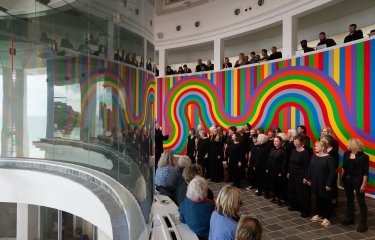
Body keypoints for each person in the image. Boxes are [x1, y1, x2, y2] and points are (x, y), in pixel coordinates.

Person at [341, 138, 369, 232]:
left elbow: (365, 173)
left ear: (354, 145)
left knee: (361, 202)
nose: (347, 145)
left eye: (348, 144)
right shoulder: (346, 154)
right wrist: (342, 179)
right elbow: (344, 167)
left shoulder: (364, 157)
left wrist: (363, 185)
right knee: (349, 200)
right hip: (347, 180)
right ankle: (350, 218)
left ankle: (363, 223)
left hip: (358, 181)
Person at [307, 140, 336, 228]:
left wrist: (329, 184)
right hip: (316, 181)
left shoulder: (329, 158)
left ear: (323, 147)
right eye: (315, 146)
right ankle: (319, 215)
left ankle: (327, 217)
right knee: (318, 198)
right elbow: (310, 168)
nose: (315, 147)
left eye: (317, 146)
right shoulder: (314, 156)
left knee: (326, 200)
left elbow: (332, 173)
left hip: (325, 183)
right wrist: (309, 178)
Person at [287, 135, 311, 218]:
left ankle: (306, 211)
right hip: (292, 173)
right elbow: (290, 162)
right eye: (294, 141)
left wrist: (306, 177)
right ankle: (294, 206)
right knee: (292, 190)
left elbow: (307, 166)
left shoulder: (305, 152)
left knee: (302, 193)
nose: (296, 142)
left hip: (301, 175)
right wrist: (289, 172)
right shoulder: (293, 150)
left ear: (301, 142)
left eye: (297, 141)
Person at [266, 136, 287, 205]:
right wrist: (267, 168)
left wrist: (281, 172)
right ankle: (275, 197)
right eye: (274, 141)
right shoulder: (272, 149)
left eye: (277, 141)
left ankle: (281, 199)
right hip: (271, 170)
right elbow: (269, 159)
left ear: (280, 142)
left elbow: (284, 162)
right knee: (274, 184)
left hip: (278, 171)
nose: (275, 142)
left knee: (280, 186)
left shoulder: (283, 151)